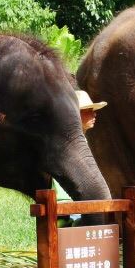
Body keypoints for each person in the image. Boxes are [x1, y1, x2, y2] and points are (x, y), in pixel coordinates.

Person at [56, 90, 109, 227]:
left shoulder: (82, 141)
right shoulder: (66, 144)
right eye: (88, 110)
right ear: (75, 114)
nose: (94, 114)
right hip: (68, 207)